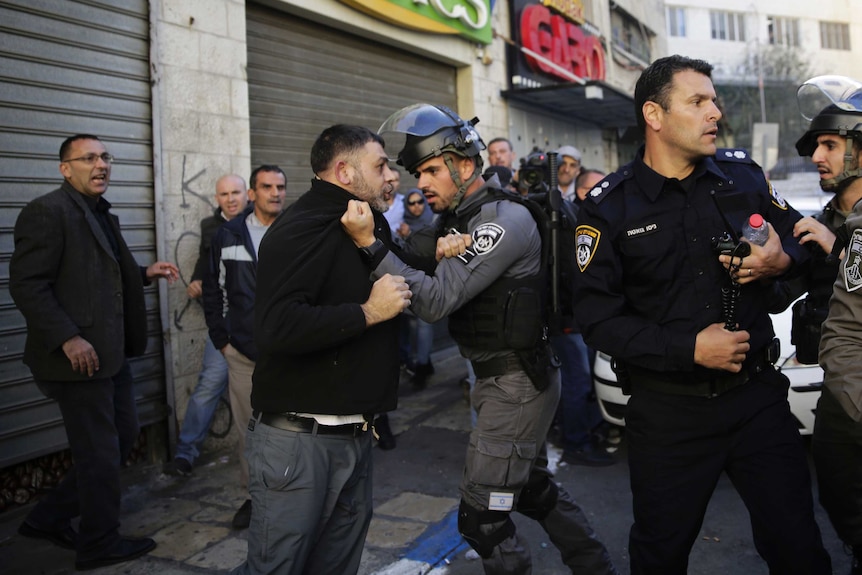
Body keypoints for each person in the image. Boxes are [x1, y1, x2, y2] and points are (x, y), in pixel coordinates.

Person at [572, 55, 832, 574]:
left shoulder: (742, 177)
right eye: (698, 101)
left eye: (714, 100)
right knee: (659, 555)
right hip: (668, 415)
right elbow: (596, 318)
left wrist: (781, 261)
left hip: (757, 402)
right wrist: (687, 348)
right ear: (655, 114)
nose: (715, 112)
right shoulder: (610, 207)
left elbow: (805, 238)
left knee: (799, 548)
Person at [342, 103, 618, 575]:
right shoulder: (459, 217)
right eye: (418, 172)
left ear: (464, 165)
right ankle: (596, 567)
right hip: (499, 381)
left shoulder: (500, 221)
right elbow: (409, 252)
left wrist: (371, 244)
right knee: (531, 487)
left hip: (516, 384)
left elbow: (430, 302)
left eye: (431, 170)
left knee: (482, 520)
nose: (422, 183)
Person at [233, 125, 411, 575]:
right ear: (345, 171)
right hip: (297, 445)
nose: (391, 175)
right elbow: (276, 327)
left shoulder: (367, 222)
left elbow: (405, 272)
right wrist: (367, 313)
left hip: (353, 437)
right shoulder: (302, 228)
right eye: (380, 165)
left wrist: (445, 250)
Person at [9, 134, 179, 570]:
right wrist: (68, 337)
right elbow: (28, 285)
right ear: (65, 168)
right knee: (99, 451)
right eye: (89, 158)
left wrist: (145, 273)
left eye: (105, 157)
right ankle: (99, 542)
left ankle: (47, 518)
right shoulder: (48, 211)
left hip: (110, 353)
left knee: (122, 436)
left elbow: (99, 273)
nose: (101, 164)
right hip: (77, 359)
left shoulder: (99, 211)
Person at [793, 75, 862, 574]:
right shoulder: (824, 219)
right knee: (839, 493)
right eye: (817, 145)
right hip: (840, 389)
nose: (818, 156)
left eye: (831, 145)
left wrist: (837, 247)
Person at [202, 165, 286, 530]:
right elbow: (213, 289)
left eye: (281, 186)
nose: (275, 193)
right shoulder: (227, 235)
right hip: (243, 354)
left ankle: (293, 497)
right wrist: (222, 340)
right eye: (267, 186)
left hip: (288, 354)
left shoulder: (295, 233)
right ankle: (255, 497)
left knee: (290, 429)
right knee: (250, 430)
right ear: (252, 193)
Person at [164, 174, 247, 477]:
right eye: (224, 194)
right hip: (226, 324)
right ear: (217, 199)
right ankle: (185, 454)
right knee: (210, 384)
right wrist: (199, 279)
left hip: (261, 324)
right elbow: (205, 258)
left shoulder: (261, 224)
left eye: (235, 192)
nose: (230, 198)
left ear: (247, 193)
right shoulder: (211, 227)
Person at [550, 153, 611, 466]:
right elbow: (570, 272)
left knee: (580, 380)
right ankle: (576, 443)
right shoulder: (570, 219)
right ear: (585, 191)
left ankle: (581, 432)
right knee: (578, 381)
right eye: (600, 188)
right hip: (568, 320)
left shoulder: (582, 218)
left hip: (582, 319)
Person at [397, 189, 437, 388]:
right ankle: (425, 362)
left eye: (420, 202)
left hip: (428, 282)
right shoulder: (403, 225)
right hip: (409, 283)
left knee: (423, 327)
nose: (416, 207)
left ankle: (422, 366)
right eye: (411, 203)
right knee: (414, 328)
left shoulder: (433, 221)